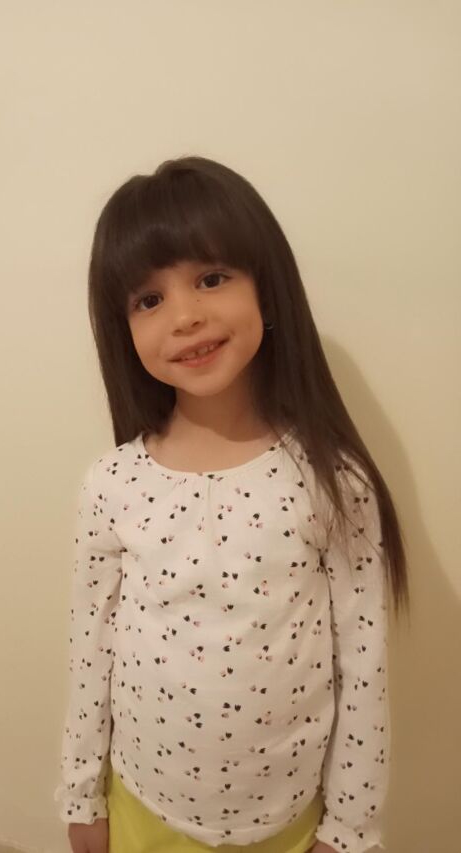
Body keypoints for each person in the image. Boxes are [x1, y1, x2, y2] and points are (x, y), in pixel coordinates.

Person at [53, 156, 409, 853]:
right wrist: (81, 794)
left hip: (286, 823)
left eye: (211, 278)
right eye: (148, 299)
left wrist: (349, 828)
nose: (185, 316)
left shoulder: (332, 481)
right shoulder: (112, 484)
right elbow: (89, 649)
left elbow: (363, 665)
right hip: (141, 808)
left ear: (267, 291)